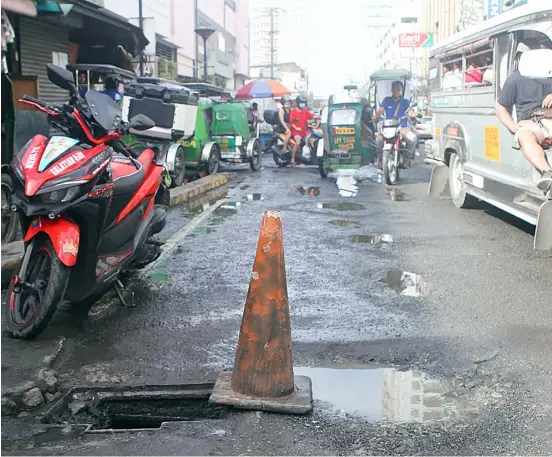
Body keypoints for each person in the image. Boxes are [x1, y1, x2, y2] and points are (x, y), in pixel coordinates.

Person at [495, 43, 552, 192]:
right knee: (525, 136)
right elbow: (501, 108)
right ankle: (548, 174)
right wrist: (514, 127)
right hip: (532, 123)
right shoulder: (514, 79)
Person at [373, 80, 418, 168]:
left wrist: (412, 114)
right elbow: (380, 111)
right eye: (394, 89)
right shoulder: (387, 100)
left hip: (402, 128)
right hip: (387, 128)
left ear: (401, 90)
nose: (396, 91)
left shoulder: (405, 102)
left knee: (412, 138)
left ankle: (406, 159)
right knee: (378, 140)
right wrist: (375, 116)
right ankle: (380, 160)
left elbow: (410, 111)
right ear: (392, 90)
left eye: (398, 89)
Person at [289, 95, 314, 166]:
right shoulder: (293, 112)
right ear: (298, 103)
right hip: (296, 132)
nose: (302, 104)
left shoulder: (305, 111)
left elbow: (312, 117)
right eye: (301, 102)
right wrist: (296, 128)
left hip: (304, 131)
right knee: (298, 143)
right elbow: (291, 123)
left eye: (304, 103)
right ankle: (292, 158)